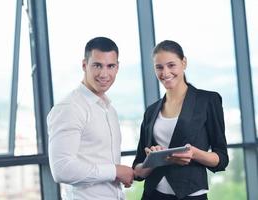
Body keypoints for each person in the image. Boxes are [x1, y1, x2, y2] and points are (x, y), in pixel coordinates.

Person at [133, 40, 229, 200]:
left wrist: (195, 154)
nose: (165, 72)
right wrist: (152, 161)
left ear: (184, 63)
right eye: (159, 67)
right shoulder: (151, 111)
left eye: (171, 65)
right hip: (152, 194)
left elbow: (222, 158)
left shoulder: (208, 101)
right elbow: (137, 169)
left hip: (190, 195)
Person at [47, 37, 134, 200]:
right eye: (97, 65)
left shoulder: (109, 110)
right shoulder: (70, 108)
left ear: (117, 68)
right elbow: (61, 169)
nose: (104, 74)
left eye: (110, 66)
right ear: (84, 65)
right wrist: (115, 171)